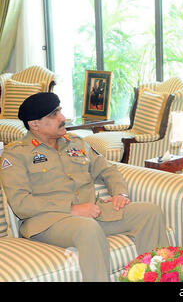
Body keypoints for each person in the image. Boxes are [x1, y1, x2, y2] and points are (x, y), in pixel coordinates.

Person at [0, 92, 169, 281]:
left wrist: (119, 193)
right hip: (47, 223)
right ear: (34, 124)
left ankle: (157, 278)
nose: (62, 118)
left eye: (60, 111)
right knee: (87, 228)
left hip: (92, 212)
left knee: (150, 212)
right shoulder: (16, 155)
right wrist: (71, 209)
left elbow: (108, 170)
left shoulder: (76, 144)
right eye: (53, 115)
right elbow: (21, 203)